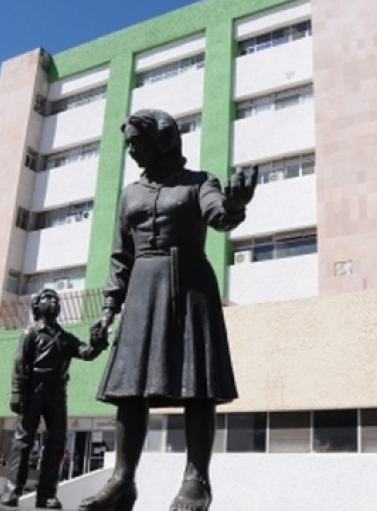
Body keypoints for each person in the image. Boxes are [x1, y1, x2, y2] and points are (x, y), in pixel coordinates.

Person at [79, 109, 257, 511]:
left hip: (189, 284)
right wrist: (109, 308)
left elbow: (219, 215)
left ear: (162, 141)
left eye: (136, 142)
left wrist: (235, 205)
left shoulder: (199, 182)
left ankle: (197, 480)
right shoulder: (130, 194)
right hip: (141, 288)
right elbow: (120, 255)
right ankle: (123, 481)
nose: (131, 150)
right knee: (130, 388)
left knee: (197, 386)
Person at [1, 288, 109, 510]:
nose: (53, 302)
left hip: (57, 392)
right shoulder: (30, 333)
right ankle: (13, 490)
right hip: (33, 390)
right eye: (47, 298)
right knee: (23, 441)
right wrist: (17, 392)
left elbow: (86, 352)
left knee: (57, 442)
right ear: (36, 306)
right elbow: (20, 364)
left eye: (56, 299)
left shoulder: (65, 337)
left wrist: (97, 342)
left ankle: (47, 494)